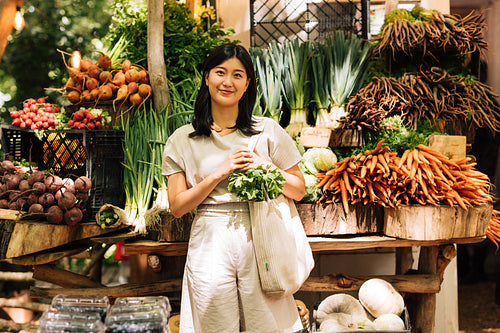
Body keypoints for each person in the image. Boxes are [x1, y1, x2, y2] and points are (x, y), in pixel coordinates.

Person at [162, 43, 306, 333]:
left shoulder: (268, 130)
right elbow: (178, 206)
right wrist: (219, 172)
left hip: (262, 234)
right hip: (210, 239)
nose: (227, 82)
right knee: (213, 323)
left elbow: (298, 189)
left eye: (237, 75)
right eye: (220, 72)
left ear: (247, 84)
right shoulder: (182, 139)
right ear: (207, 77)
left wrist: (265, 167)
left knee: (267, 323)